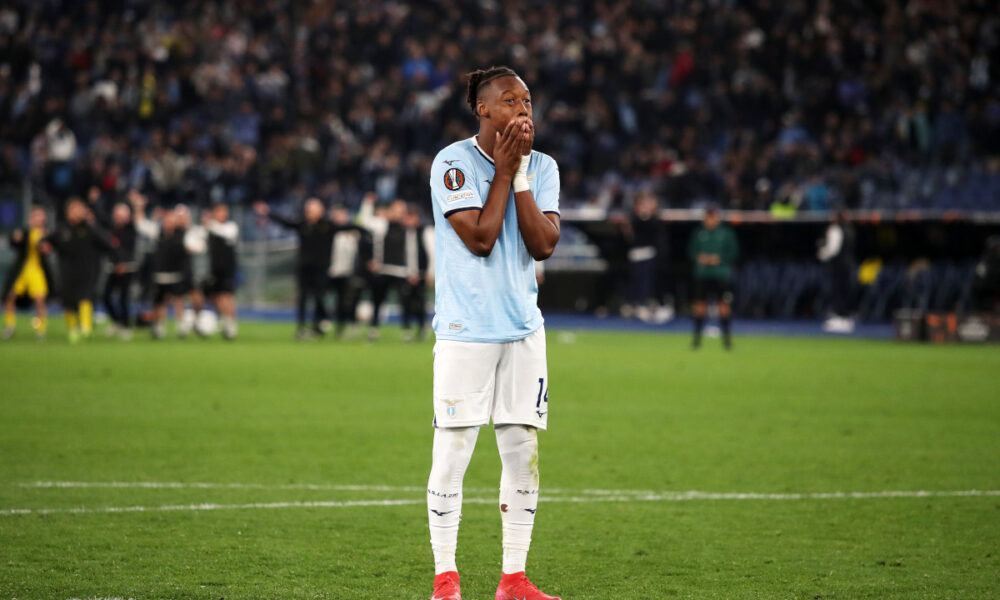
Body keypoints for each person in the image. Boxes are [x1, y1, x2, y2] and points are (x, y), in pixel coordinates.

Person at [426, 66, 561, 600]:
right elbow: (480, 238)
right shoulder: (452, 163)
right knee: (453, 454)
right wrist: (503, 171)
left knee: (521, 450)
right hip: (466, 331)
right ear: (482, 109)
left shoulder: (544, 166)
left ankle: (513, 579)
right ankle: (446, 579)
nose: (523, 109)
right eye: (510, 100)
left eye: (527, 100)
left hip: (524, 330)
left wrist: (520, 172)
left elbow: (542, 244)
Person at [254, 198, 341, 340]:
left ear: (320, 211)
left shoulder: (327, 226)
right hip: (304, 268)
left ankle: (319, 324)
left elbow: (346, 227)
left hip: (321, 269)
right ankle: (301, 328)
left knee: (319, 296)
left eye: (312, 210)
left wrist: (363, 231)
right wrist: (267, 212)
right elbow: (285, 222)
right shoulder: (302, 224)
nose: (309, 213)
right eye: (308, 210)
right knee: (303, 298)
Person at [45, 198, 112, 342]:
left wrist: (92, 224)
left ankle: (86, 329)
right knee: (68, 302)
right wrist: (43, 245)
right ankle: (73, 329)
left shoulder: (90, 228)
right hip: (67, 271)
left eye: (80, 209)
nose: (77, 212)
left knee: (85, 298)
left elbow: (107, 243)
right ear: (68, 212)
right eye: (74, 209)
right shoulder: (61, 229)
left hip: (88, 271)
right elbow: (47, 241)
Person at [688, 204, 739, 350]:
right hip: (702, 274)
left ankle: (727, 341)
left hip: (720, 274)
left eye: (712, 216)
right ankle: (696, 340)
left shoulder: (726, 233)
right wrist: (701, 258)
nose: (709, 220)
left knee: (723, 305)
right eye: (707, 217)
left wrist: (719, 259)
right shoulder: (698, 232)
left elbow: (734, 252)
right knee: (699, 306)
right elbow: (691, 251)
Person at [2, 206, 53, 340]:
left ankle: (41, 331)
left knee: (40, 300)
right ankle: (9, 326)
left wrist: (47, 247)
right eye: (35, 215)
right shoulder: (25, 232)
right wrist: (15, 239)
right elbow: (13, 242)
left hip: (37, 271)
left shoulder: (47, 234)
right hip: (22, 271)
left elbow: (50, 249)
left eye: (40, 216)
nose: (38, 218)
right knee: (10, 296)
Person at [193, 204, 240, 340]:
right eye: (220, 212)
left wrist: (209, 223)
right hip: (214, 270)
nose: (223, 214)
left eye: (225, 211)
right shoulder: (210, 229)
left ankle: (231, 326)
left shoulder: (230, 227)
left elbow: (225, 233)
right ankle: (216, 322)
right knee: (211, 296)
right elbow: (196, 239)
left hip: (228, 269)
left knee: (226, 297)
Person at [327, 204, 373, 339]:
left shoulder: (354, 233)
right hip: (332, 272)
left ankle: (345, 326)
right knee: (333, 299)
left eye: (342, 215)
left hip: (349, 272)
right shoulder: (329, 231)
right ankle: (329, 323)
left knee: (346, 301)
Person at [817, 209, 856, 333]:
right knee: (844, 291)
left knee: (837, 291)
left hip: (838, 265)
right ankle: (845, 317)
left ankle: (840, 318)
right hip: (848, 265)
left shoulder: (835, 229)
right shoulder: (850, 229)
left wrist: (822, 253)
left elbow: (833, 249)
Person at [103, 202, 138, 339]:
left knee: (124, 298)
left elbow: (128, 249)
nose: (119, 218)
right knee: (106, 296)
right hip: (112, 267)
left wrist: (122, 263)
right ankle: (117, 322)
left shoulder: (131, 229)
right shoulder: (111, 229)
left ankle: (125, 326)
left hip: (126, 268)